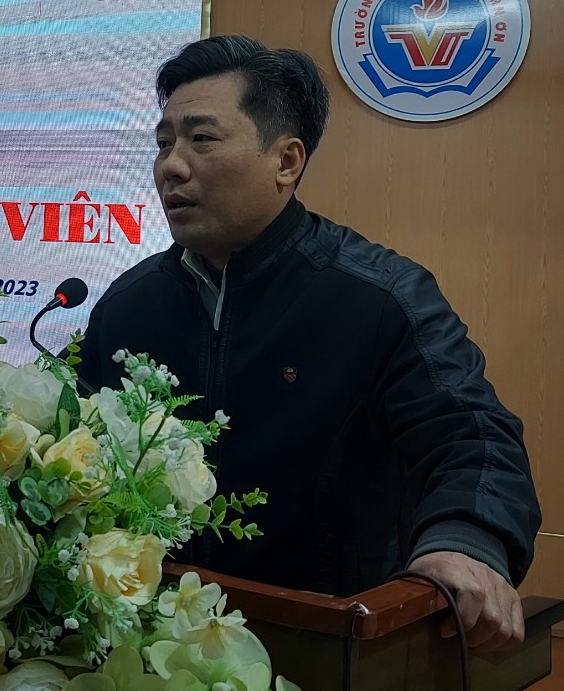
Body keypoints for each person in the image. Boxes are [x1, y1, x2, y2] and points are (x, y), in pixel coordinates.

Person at [78, 35, 540, 654]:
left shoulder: (380, 297)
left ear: (286, 162)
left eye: (201, 139)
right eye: (164, 143)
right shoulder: (128, 305)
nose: (171, 166)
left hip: (328, 643)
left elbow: (472, 435)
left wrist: (465, 542)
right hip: (152, 641)